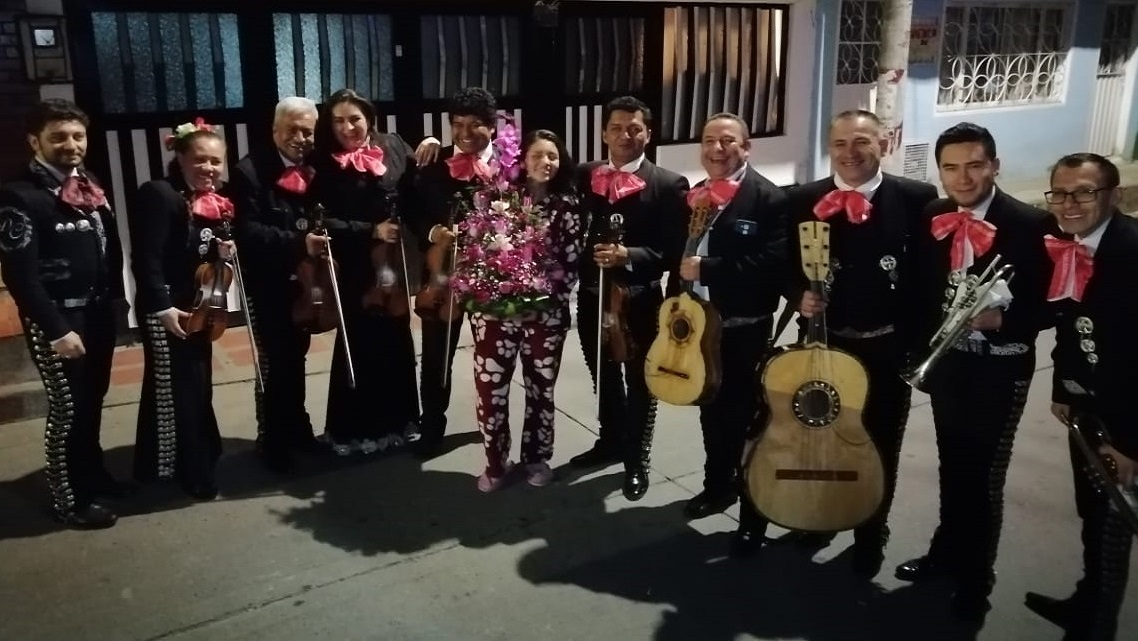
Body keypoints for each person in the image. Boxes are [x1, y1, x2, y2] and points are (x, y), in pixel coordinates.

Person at [730, 110, 939, 570]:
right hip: (825, 344)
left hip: (886, 348)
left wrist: (917, 342)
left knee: (879, 443)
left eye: (861, 141)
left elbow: (928, 279)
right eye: (840, 143)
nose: (850, 153)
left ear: (884, 143)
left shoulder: (917, 198)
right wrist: (797, 294)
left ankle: (870, 534)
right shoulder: (804, 198)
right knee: (815, 435)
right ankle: (818, 516)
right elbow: (783, 264)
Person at [896, 122, 1051, 624]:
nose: (962, 177)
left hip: (1000, 368)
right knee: (952, 465)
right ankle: (945, 553)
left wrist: (1006, 319)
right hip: (949, 364)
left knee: (983, 477)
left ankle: (976, 577)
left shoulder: (1030, 222)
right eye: (951, 167)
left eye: (974, 165)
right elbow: (923, 287)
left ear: (995, 166)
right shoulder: (934, 213)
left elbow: (1056, 303)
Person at [0, 98, 128, 528]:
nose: (70, 144)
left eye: (77, 135)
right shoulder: (19, 197)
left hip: (96, 316)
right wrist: (55, 329)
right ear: (35, 141)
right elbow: (21, 278)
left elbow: (108, 247)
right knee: (67, 409)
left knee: (92, 402)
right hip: (60, 322)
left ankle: (92, 475)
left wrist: (117, 304)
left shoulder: (87, 181)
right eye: (58, 137)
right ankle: (68, 499)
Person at [1025, 152, 1137, 641]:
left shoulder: (1131, 251)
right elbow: (1070, 326)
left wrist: (1132, 443)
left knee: (1115, 525)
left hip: (1127, 418)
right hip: (1088, 402)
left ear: (1112, 195)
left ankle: (1098, 626)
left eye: (1084, 192)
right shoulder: (1072, 245)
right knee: (1092, 512)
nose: (1069, 203)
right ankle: (1087, 602)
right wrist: (1063, 387)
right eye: (1061, 193)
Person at [572, 95, 689, 501]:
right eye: (617, 127)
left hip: (639, 299)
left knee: (640, 380)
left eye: (634, 128)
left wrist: (630, 255)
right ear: (604, 133)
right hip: (591, 296)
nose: (625, 135)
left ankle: (636, 458)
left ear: (648, 133)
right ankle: (610, 440)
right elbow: (535, 165)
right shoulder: (585, 174)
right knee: (602, 376)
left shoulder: (669, 184)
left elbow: (674, 252)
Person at [672, 113, 788, 519]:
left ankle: (752, 499)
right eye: (708, 141)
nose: (716, 149)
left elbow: (770, 266)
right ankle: (718, 484)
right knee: (710, 407)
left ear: (746, 147)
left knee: (742, 414)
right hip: (700, 324)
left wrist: (709, 269)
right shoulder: (699, 192)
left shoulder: (768, 198)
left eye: (727, 141)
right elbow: (684, 252)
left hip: (742, 327)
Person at [465, 129, 586, 490]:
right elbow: (477, 252)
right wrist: (492, 295)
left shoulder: (568, 205)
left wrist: (536, 296)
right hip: (495, 315)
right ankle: (495, 462)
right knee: (490, 389)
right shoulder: (498, 197)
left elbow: (570, 262)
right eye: (537, 155)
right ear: (521, 159)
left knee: (541, 390)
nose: (545, 163)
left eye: (552, 156)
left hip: (544, 316)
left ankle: (536, 458)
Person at [129, 118, 237, 500]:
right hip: (168, 311)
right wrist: (161, 308)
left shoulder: (206, 200)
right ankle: (188, 470)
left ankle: (195, 453)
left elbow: (195, 254)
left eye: (215, 161)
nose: (209, 168)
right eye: (200, 160)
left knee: (197, 383)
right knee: (179, 387)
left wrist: (219, 252)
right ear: (181, 158)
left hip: (197, 306)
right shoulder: (160, 194)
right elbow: (146, 258)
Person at [308, 88, 419, 456]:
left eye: (354, 118)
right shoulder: (322, 161)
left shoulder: (393, 145)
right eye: (338, 120)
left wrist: (433, 141)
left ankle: (399, 422)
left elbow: (416, 182)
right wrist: (368, 230)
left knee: (396, 336)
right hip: (355, 262)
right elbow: (323, 221)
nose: (347, 127)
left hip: (391, 261)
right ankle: (354, 429)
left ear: (369, 118)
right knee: (359, 340)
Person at [226, 96, 323, 474]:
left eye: (307, 131)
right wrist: (299, 242)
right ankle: (273, 442)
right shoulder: (249, 171)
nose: (300, 138)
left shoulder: (314, 164)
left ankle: (298, 430)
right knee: (273, 363)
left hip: (304, 279)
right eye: (292, 130)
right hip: (267, 280)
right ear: (274, 131)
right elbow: (247, 231)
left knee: (296, 356)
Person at [411, 86, 504, 459]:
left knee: (495, 356)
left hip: (495, 278)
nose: (464, 133)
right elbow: (411, 207)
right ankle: (432, 425)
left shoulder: (512, 165)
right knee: (436, 354)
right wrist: (433, 232)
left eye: (475, 124)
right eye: (457, 124)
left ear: (493, 127)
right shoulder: (434, 163)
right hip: (442, 276)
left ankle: (495, 425)